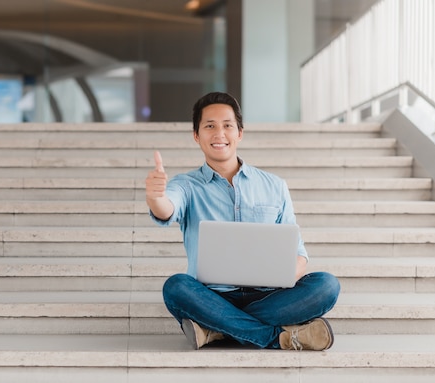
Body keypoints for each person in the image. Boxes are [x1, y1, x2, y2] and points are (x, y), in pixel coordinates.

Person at [145, 91, 340, 351]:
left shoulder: (274, 185)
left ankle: (215, 329)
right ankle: (277, 337)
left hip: (269, 296)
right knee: (176, 287)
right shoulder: (186, 186)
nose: (219, 134)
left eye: (227, 126)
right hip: (211, 296)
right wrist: (155, 197)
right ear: (196, 135)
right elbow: (166, 208)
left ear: (240, 133)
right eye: (210, 126)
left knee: (326, 285)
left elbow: (299, 255)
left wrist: (283, 275)